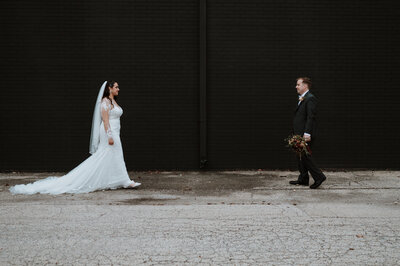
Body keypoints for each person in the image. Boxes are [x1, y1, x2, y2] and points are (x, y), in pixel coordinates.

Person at [10, 81, 141, 194]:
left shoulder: (113, 101)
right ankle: (125, 181)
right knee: (114, 154)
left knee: (111, 156)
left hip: (115, 131)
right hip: (109, 132)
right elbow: (106, 121)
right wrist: (109, 136)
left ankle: (117, 179)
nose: (118, 89)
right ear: (109, 88)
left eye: (118, 87)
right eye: (116, 87)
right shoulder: (105, 102)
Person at [289, 77, 326, 189]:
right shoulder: (303, 98)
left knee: (305, 156)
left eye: (298, 84)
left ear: (305, 86)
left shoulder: (310, 98)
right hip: (299, 133)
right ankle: (303, 179)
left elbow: (311, 117)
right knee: (300, 156)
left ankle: (319, 177)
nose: (296, 86)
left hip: (305, 134)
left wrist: (307, 133)